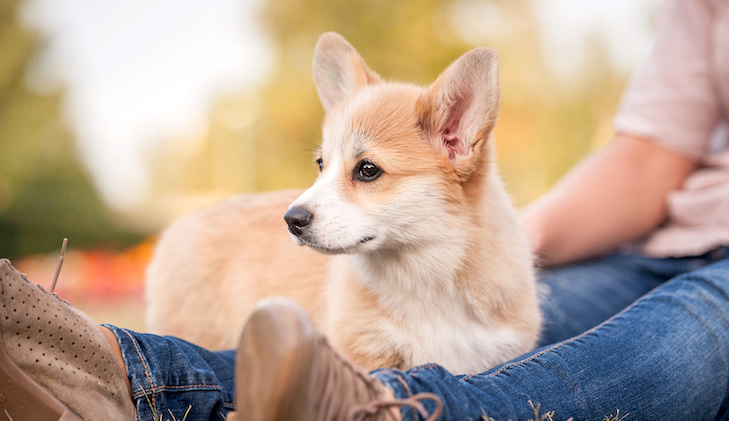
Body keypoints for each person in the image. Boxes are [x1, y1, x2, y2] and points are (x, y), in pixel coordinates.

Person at [2, 0, 728, 419]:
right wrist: (510, 241)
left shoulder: (444, 150)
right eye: (328, 167)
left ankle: (136, 382)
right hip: (657, 243)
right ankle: (115, 372)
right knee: (551, 343)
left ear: (457, 135)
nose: (309, 201)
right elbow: (649, 157)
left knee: (679, 344)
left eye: (367, 172)